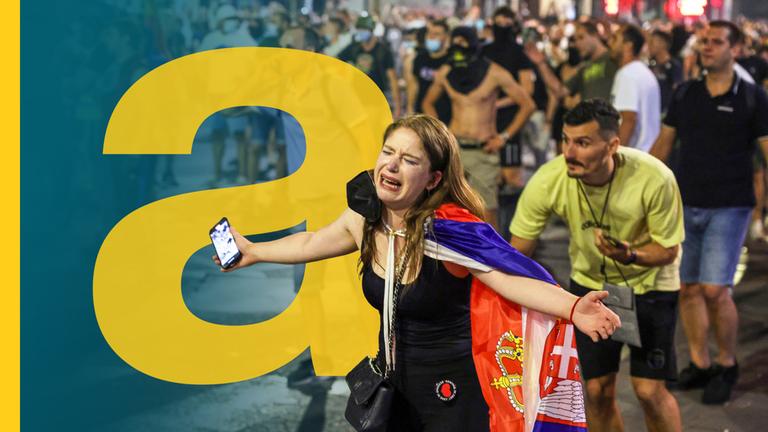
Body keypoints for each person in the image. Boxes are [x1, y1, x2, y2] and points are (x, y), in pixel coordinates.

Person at [214, 114, 620, 431]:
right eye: (388, 152)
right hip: (393, 388)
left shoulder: (449, 233)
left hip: (454, 396)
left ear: (433, 179)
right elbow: (310, 243)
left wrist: (574, 307)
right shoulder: (366, 218)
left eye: (409, 160)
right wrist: (253, 250)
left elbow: (511, 278)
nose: (391, 165)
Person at [511, 99, 684, 432]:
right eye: (566, 139)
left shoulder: (655, 177)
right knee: (596, 390)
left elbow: (668, 251)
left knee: (649, 390)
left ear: (613, 145)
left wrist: (630, 255)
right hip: (591, 287)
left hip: (651, 286)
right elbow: (518, 251)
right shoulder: (549, 179)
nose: (570, 152)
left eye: (583, 143)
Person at [650, 20, 768, 405]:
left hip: (730, 205)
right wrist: (638, 188)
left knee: (716, 289)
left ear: (735, 49)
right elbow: (664, 145)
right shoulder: (687, 93)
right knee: (689, 288)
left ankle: (726, 363)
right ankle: (700, 363)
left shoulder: (752, 97)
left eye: (716, 42)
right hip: (686, 203)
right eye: (703, 41)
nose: (707, 47)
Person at [422, 27, 535, 231]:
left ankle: (493, 262)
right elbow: (428, 102)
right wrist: (440, 134)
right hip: (454, 150)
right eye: (455, 42)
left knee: (487, 214)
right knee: (446, 211)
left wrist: (503, 137)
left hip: (483, 151)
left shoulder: (494, 72)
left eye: (463, 43)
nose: (458, 48)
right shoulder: (447, 72)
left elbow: (527, 105)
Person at [608, 24, 661, 153]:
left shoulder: (628, 74)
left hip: (634, 158)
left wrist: (615, 155)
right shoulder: (641, 72)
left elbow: (628, 120)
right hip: (646, 155)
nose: (610, 43)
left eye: (615, 38)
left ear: (628, 45)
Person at [339, 15, 401, 118]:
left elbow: (393, 79)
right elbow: (336, 62)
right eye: (359, 29)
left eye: (364, 29)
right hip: (355, 99)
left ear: (371, 30)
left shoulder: (383, 51)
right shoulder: (354, 48)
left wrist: (397, 106)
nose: (361, 32)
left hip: (376, 100)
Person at [405, 18, 451, 124]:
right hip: (421, 117)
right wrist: (410, 108)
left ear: (446, 37)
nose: (431, 36)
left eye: (437, 34)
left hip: (444, 117)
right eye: (429, 33)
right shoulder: (420, 58)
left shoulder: (450, 61)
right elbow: (414, 85)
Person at [648, 29, 683, 114]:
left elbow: (677, 91)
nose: (649, 45)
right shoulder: (651, 64)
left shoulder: (674, 66)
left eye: (652, 42)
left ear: (662, 44)